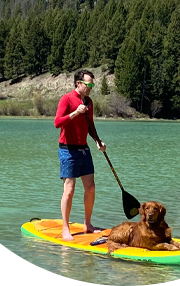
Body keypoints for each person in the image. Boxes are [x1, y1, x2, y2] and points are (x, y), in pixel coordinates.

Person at [54, 69, 106, 241]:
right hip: (67, 149)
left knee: (90, 188)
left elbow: (90, 124)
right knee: (69, 190)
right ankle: (65, 228)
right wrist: (75, 112)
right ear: (78, 83)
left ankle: (88, 224)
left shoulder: (89, 102)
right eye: (88, 84)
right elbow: (57, 122)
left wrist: (98, 140)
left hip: (83, 149)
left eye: (92, 84)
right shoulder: (66, 99)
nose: (91, 87)